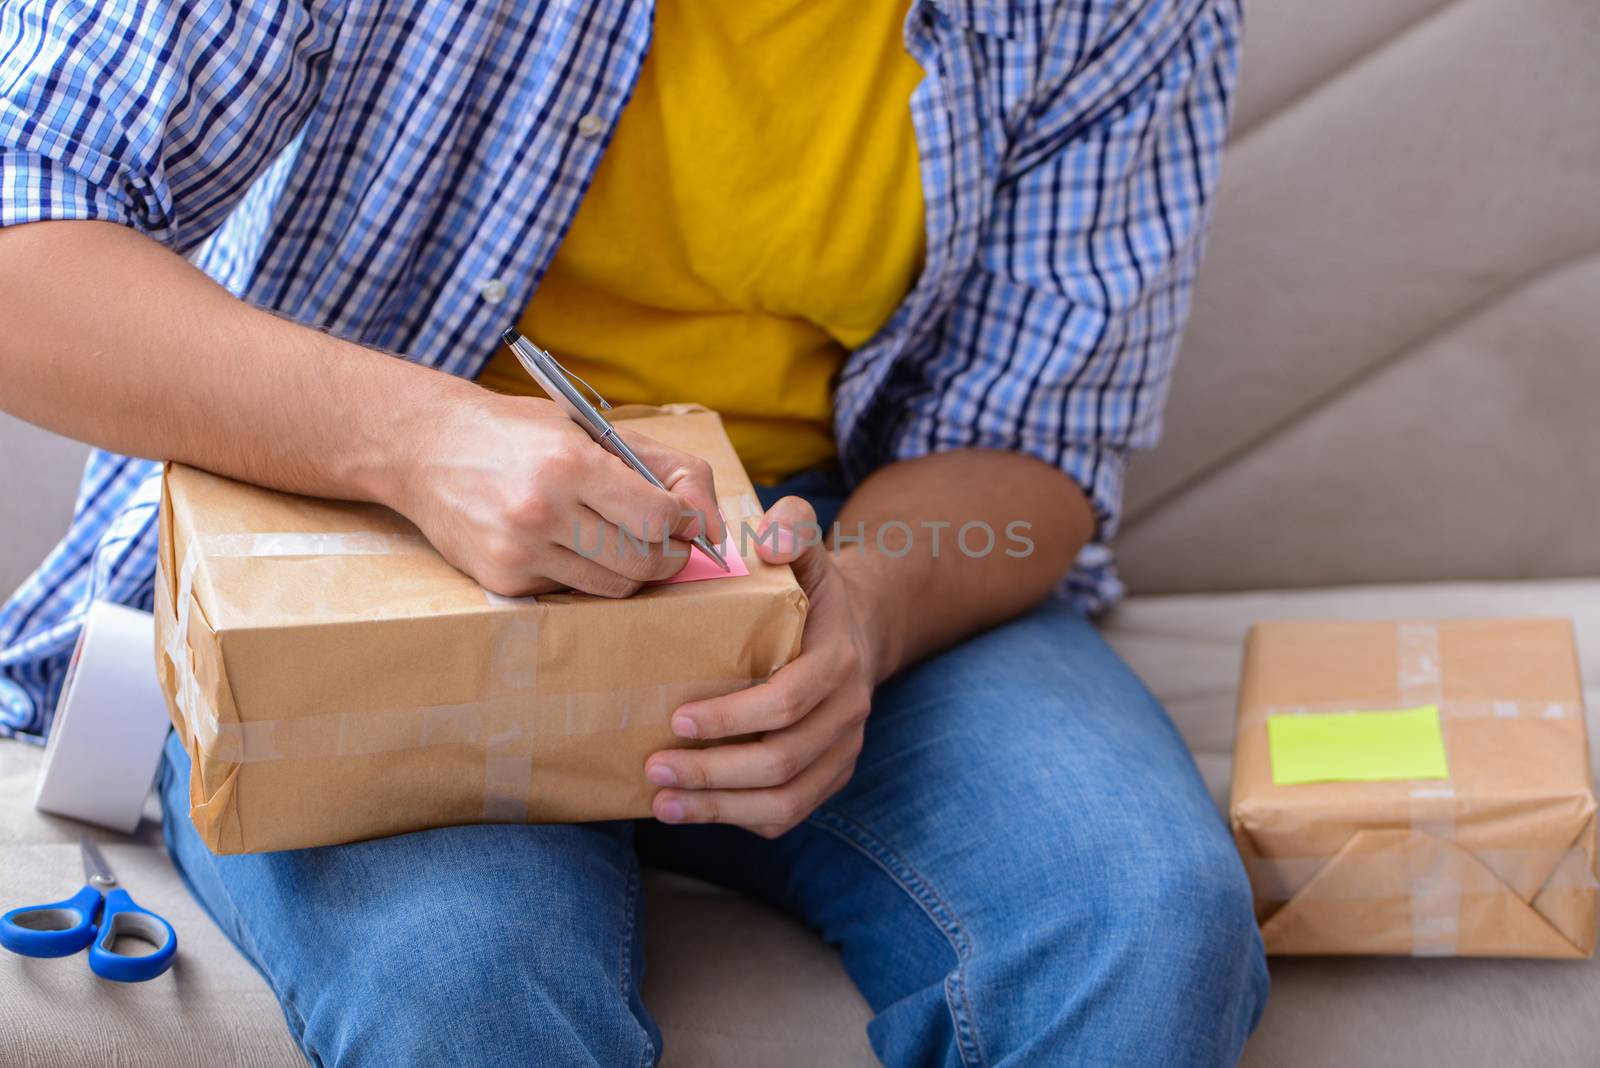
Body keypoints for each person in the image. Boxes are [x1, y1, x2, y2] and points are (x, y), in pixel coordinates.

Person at [0, 0, 1265, 1064]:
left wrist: (863, 613)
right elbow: (23, 230)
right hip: (352, 505)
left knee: (1144, 927)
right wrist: (417, 441)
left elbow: (1034, 438)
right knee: (463, 980)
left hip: (821, 535)